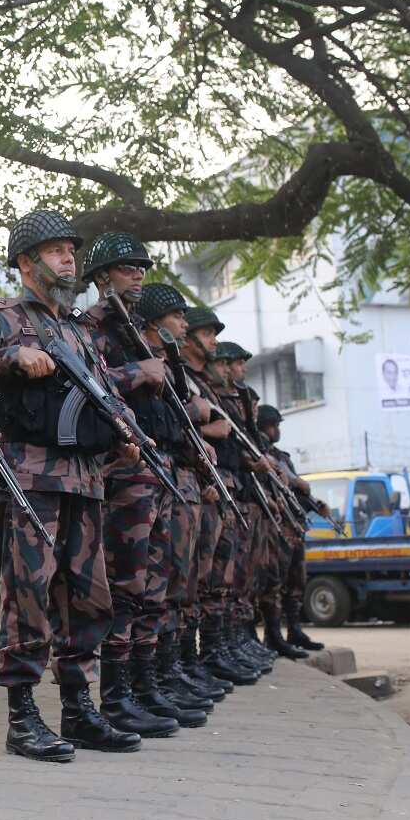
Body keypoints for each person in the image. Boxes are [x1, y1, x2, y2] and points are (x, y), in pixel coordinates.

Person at [0, 209, 141, 760]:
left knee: (90, 597)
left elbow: (105, 394)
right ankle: (22, 716)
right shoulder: (4, 318)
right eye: (56, 250)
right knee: (28, 595)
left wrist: (124, 433)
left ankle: (79, 709)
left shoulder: (79, 328)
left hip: (86, 477)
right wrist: (10, 357)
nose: (69, 258)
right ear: (26, 263)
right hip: (29, 475)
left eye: (70, 250)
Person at [80, 235, 208, 736]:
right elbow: (88, 381)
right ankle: (114, 695)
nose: (138, 273)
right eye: (126, 266)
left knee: (154, 584)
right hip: (119, 471)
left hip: (155, 471)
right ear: (102, 276)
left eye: (141, 267)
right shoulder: (88, 327)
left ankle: (141, 683)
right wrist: (138, 372)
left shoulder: (139, 332)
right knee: (125, 585)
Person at [132, 285, 229, 705]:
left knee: (180, 580)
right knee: (143, 585)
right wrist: (193, 418)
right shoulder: (124, 347)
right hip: (139, 476)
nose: (186, 326)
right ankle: (139, 682)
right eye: (178, 316)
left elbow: (175, 428)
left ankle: (170, 669)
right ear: (154, 321)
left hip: (176, 475)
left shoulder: (172, 366)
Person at [178, 310, 261, 688]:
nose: (212, 340)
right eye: (206, 333)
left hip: (220, 484)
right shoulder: (180, 375)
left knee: (223, 579)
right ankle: (179, 665)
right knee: (188, 583)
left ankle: (215, 650)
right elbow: (175, 432)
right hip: (195, 484)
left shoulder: (203, 385)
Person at [211, 342, 279, 671]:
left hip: (239, 492)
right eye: (232, 364)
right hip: (216, 489)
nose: (237, 370)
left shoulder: (230, 401)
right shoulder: (205, 394)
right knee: (211, 581)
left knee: (240, 578)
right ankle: (209, 654)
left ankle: (236, 640)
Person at [257, 405, 326, 652]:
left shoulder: (282, 456)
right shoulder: (260, 452)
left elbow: (295, 494)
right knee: (275, 581)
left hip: (292, 526)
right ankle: (274, 635)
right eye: (274, 425)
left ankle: (294, 630)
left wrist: (315, 505)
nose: (277, 430)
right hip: (275, 526)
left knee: (296, 580)